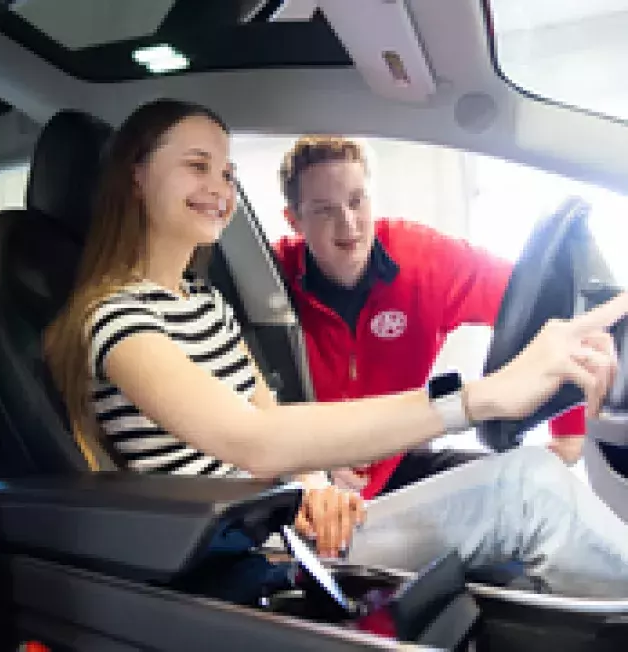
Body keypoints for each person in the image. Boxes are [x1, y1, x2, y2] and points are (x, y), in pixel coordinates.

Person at [44, 98, 628, 598]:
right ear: (136, 178)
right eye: (197, 167)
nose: (219, 190)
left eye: (226, 173)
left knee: (527, 492)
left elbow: (270, 417)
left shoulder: (203, 302)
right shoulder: (114, 318)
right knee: (524, 489)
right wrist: (473, 401)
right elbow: (252, 441)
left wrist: (317, 485)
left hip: (292, 524)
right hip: (245, 558)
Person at [274, 136, 586, 499]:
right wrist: (309, 459)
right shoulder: (267, 280)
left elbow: (541, 305)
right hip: (313, 482)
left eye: (357, 201)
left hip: (398, 461)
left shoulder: (426, 261)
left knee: (534, 487)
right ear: (294, 220)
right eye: (324, 210)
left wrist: (567, 431)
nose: (348, 225)